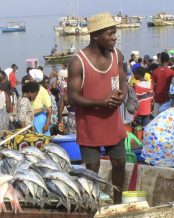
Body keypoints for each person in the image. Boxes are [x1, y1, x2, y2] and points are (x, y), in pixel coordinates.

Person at [67, 12, 127, 204]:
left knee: (119, 163)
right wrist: (101, 102)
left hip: (112, 122)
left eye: (115, 33)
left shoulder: (117, 55)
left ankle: (117, 203)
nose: (114, 37)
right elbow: (72, 97)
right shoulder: (78, 61)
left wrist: (122, 95)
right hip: (89, 124)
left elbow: (123, 80)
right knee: (92, 167)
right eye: (110, 34)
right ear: (95, 35)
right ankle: (92, 204)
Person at [152, 52, 174, 117]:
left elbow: (151, 85)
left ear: (160, 60)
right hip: (167, 99)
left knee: (157, 118)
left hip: (157, 97)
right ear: (168, 61)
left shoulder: (155, 71)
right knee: (167, 118)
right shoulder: (172, 72)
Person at [30, 69, 52, 136]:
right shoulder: (29, 90)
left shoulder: (42, 91)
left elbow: (49, 108)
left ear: (35, 79)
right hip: (31, 118)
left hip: (40, 120)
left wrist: (47, 124)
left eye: (30, 77)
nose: (29, 78)